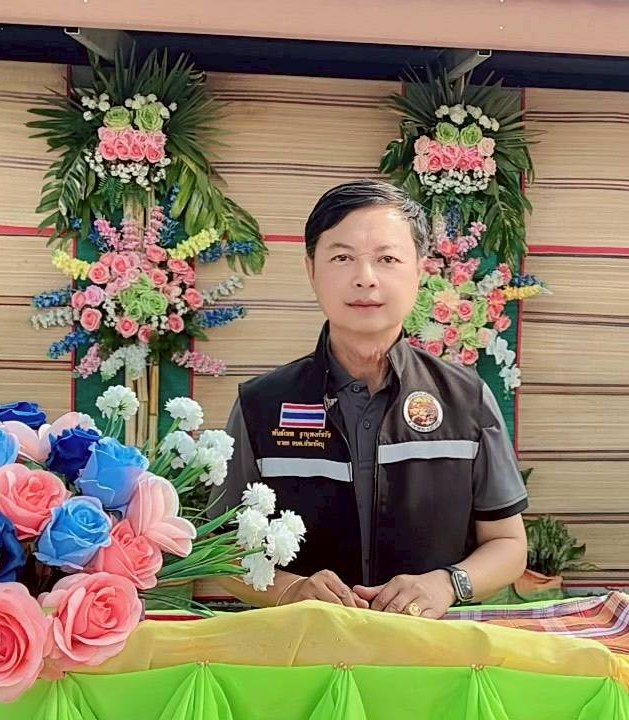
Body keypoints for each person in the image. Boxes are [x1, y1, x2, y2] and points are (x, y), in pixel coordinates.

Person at [209, 179, 528, 618]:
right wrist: (292, 590)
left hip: (432, 645)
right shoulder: (261, 405)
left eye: (387, 258)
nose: (365, 278)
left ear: (419, 270)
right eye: (342, 257)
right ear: (311, 269)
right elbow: (221, 549)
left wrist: (445, 584)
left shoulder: (465, 399)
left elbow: (508, 544)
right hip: (304, 647)